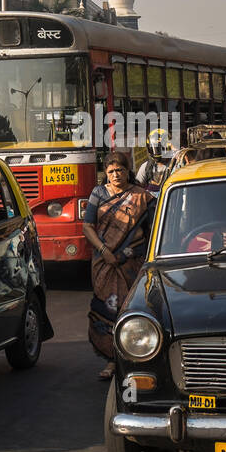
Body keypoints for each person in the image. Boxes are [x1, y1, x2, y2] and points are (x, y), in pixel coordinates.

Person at [82, 153, 154, 380]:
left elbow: (152, 233)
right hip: (104, 263)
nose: (116, 175)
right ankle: (112, 361)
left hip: (132, 262)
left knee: (132, 310)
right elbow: (87, 227)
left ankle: (136, 360)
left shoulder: (143, 197)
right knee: (107, 309)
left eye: (120, 170)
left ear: (127, 170)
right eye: (111, 171)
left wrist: (129, 253)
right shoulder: (98, 193)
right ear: (106, 172)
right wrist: (105, 251)